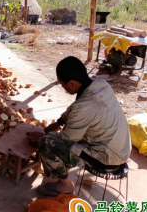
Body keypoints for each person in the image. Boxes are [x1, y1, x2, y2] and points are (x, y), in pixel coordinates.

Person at [28, 56, 132, 196]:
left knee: (47, 143)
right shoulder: (100, 84)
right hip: (121, 150)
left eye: (62, 84)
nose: (63, 88)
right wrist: (58, 123)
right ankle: (63, 168)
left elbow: (67, 139)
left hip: (106, 159)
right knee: (58, 135)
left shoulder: (83, 107)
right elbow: (75, 107)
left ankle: (65, 185)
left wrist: (46, 135)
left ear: (71, 83)